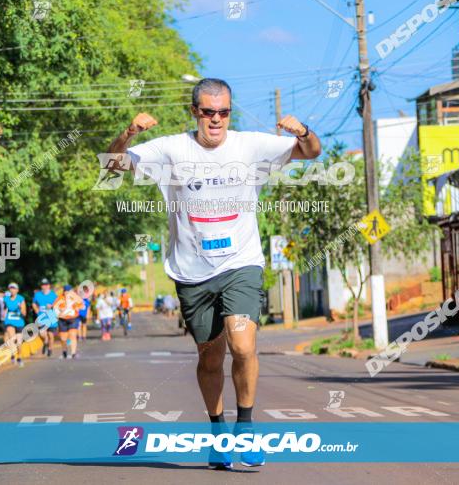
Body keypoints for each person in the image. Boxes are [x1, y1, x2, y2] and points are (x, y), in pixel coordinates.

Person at [105, 77, 320, 469]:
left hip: (241, 263)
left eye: (223, 112)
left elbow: (310, 152)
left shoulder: (250, 145)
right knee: (210, 359)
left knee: (243, 345)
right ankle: (218, 433)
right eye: (208, 112)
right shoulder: (171, 149)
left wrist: (302, 131)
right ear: (195, 112)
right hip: (191, 272)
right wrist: (129, 133)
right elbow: (112, 166)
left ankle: (247, 429)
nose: (216, 119)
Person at [0, 283, 26, 367]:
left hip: (19, 322)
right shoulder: (6, 298)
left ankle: (19, 357)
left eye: (14, 288)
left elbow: (24, 313)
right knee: (12, 338)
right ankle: (12, 354)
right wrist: (4, 293)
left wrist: (20, 308)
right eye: (11, 288)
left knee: (19, 343)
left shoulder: (21, 299)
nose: (12, 290)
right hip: (9, 321)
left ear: (17, 290)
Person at [53, 284, 83, 359]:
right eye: (65, 291)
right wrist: (60, 310)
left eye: (68, 291)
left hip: (73, 319)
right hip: (62, 320)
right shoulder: (60, 298)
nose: (67, 293)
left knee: (73, 335)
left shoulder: (75, 298)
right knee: (63, 338)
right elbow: (54, 308)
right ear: (63, 291)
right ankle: (64, 351)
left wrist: (77, 307)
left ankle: (73, 353)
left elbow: (82, 306)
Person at [32, 278, 58, 357]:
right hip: (41, 317)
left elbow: (58, 306)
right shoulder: (37, 295)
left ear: (49, 286)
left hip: (51, 317)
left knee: (51, 335)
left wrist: (52, 306)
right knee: (41, 333)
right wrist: (36, 310)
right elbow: (33, 303)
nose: (44, 286)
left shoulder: (53, 295)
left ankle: (50, 348)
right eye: (43, 285)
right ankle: (45, 341)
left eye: (46, 285)